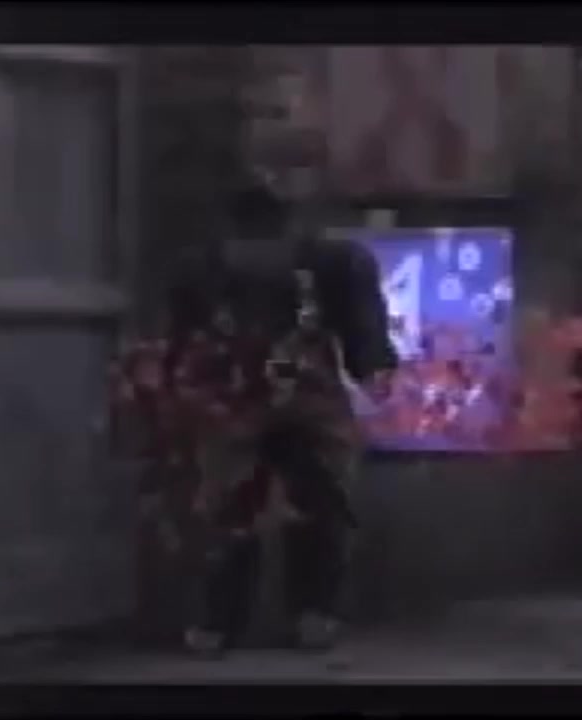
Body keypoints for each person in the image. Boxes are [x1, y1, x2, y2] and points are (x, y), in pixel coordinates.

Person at [117, 172, 396, 656]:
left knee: (268, 508)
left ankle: (243, 620)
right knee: (274, 508)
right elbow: (177, 337)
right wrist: (370, 362)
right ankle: (278, 616)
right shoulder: (324, 260)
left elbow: (175, 338)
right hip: (251, 399)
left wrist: (370, 360)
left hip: (261, 399)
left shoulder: (321, 261)